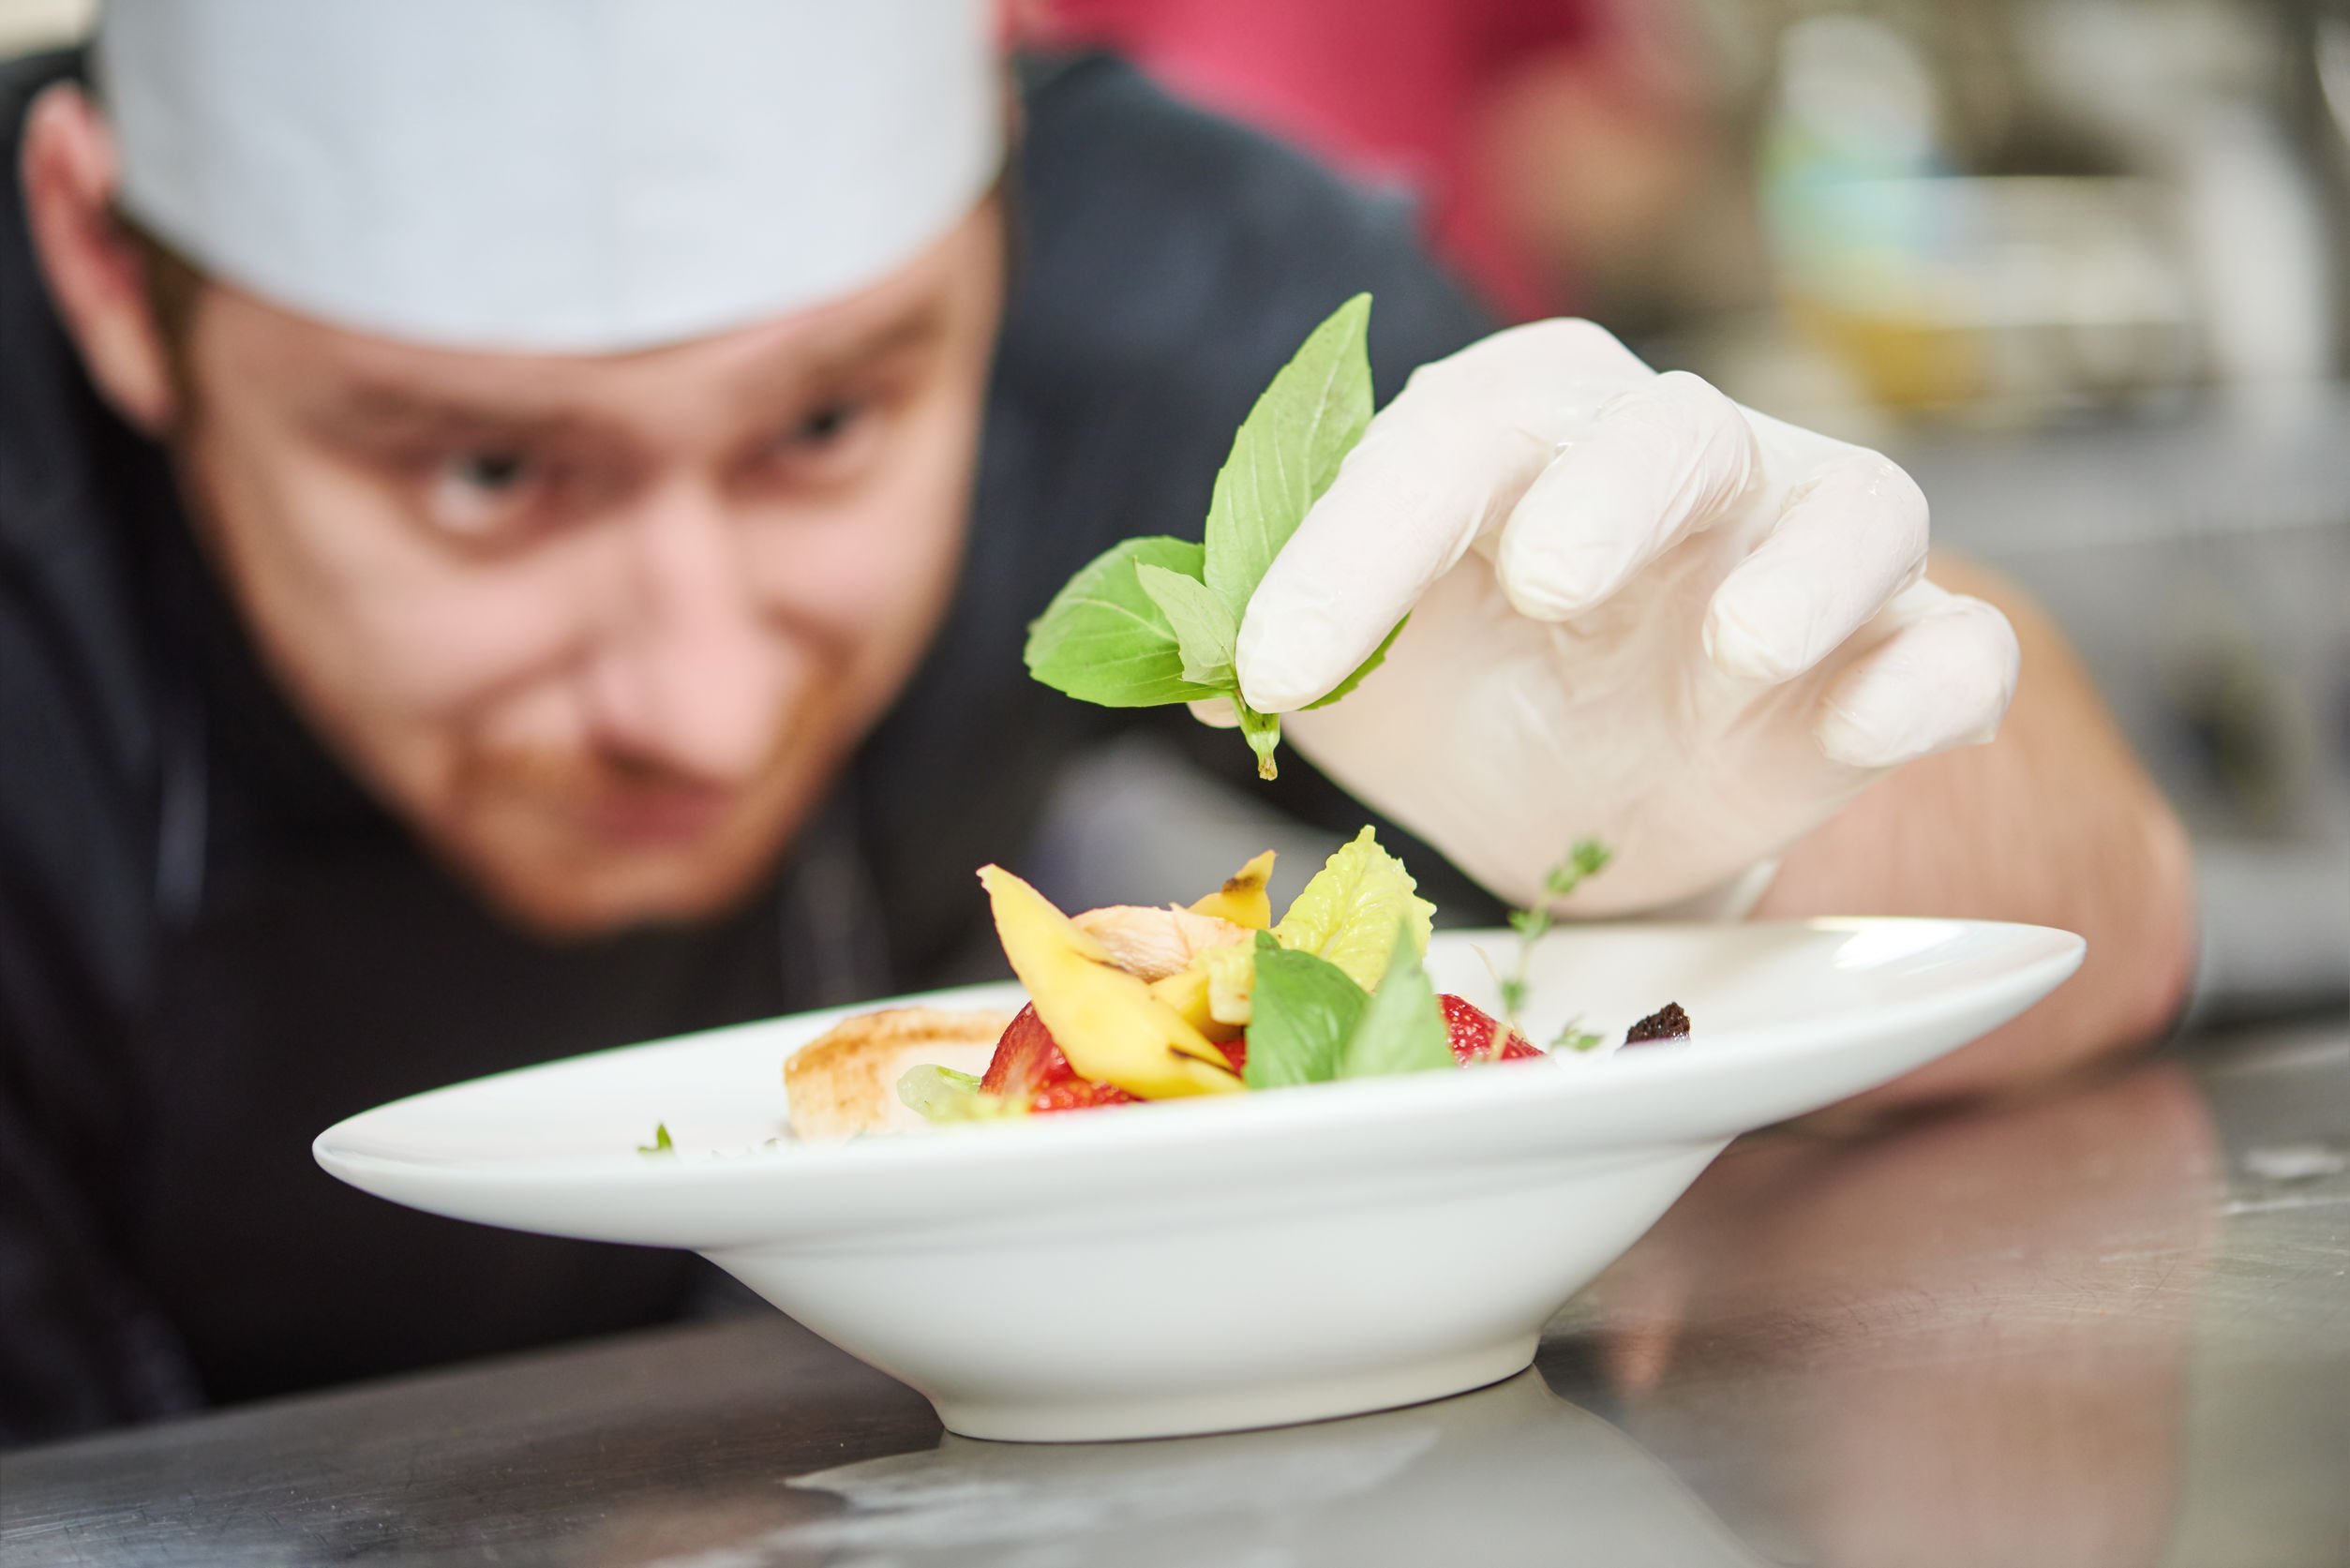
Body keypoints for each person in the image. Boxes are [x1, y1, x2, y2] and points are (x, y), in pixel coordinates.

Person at [0, 0, 2191, 1447]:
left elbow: (2125, 917)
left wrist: (1724, 810)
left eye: (832, 423)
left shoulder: (1150, 276)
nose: (697, 691)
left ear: (1003, 205)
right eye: (484, 476)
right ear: (110, 275)